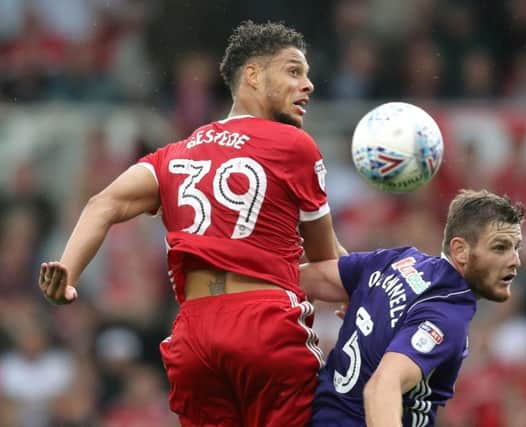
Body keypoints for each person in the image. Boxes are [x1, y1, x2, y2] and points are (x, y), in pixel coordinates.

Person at [39, 21, 345, 427]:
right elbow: (327, 259)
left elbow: (103, 203)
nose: (307, 85)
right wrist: (364, 290)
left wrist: (69, 274)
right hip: (265, 326)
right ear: (252, 75)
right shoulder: (294, 146)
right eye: (294, 71)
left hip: (194, 334)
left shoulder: (175, 154)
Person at [300, 189, 526, 427]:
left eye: (516, 248)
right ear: (460, 250)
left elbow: (301, 280)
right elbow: (381, 388)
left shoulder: (398, 261)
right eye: (500, 248)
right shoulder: (447, 315)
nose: (515, 260)